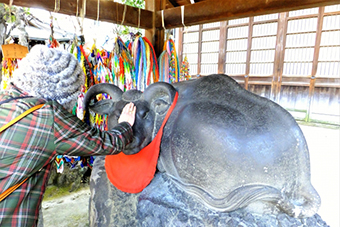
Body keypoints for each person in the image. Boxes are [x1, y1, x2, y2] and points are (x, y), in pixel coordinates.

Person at [0, 45, 136, 227]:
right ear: (64, 92)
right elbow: (105, 143)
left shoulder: (5, 99)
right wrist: (125, 125)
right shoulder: (48, 116)